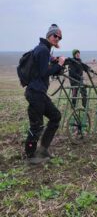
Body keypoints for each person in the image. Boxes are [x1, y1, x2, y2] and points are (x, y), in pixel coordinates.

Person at [24, 24, 66, 164]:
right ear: (49, 35)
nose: (57, 39)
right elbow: (44, 72)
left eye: (59, 38)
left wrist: (53, 60)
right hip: (35, 93)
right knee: (36, 125)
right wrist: (59, 65)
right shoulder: (42, 50)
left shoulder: (44, 50)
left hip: (39, 93)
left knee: (55, 116)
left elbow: (43, 66)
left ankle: (43, 149)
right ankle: (30, 156)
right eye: (55, 36)